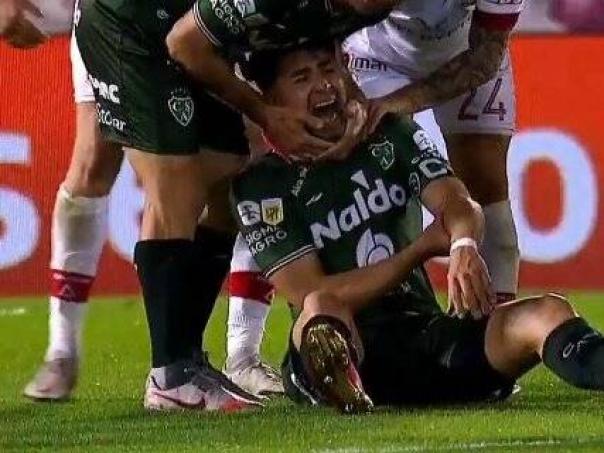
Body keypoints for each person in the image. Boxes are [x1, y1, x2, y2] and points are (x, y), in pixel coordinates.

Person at [232, 42, 604, 412]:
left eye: (328, 68)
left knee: (548, 311)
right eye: (302, 78)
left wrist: (462, 243)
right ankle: (342, 385)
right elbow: (308, 289)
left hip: (424, 335)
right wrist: (419, 250)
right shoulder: (261, 185)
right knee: (319, 308)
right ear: (271, 98)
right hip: (346, 340)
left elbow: (457, 202)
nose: (324, 84)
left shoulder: (389, 132)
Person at [73, 0, 400, 409]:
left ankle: (188, 357)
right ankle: (171, 377)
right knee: (176, 183)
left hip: (194, 31)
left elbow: (305, 41)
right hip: (131, 22)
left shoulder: (377, 6)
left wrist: (350, 97)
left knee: (227, 167)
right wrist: (266, 114)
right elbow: (185, 43)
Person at [344, 0, 527, 305]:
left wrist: (404, 101)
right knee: (371, 191)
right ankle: (384, 318)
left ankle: (493, 328)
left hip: (466, 49)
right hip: (374, 53)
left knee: (488, 196)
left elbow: (483, 58)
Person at [0, 0, 126, 401]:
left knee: (233, 157)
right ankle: (62, 349)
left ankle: (241, 354)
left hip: (202, 13)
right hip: (111, 13)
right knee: (92, 163)